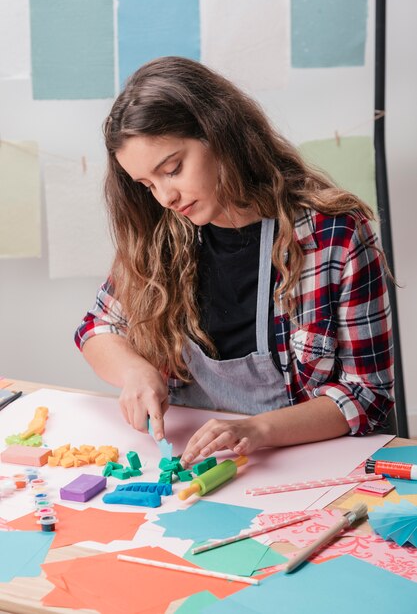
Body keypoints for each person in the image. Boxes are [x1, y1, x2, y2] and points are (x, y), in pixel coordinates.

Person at [74, 56, 394, 467]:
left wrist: (257, 430)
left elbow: (366, 395)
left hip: (295, 464)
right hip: (192, 462)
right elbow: (97, 327)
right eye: (147, 184)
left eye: (172, 169)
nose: (165, 197)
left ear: (218, 132)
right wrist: (135, 371)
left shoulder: (334, 236)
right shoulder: (161, 233)